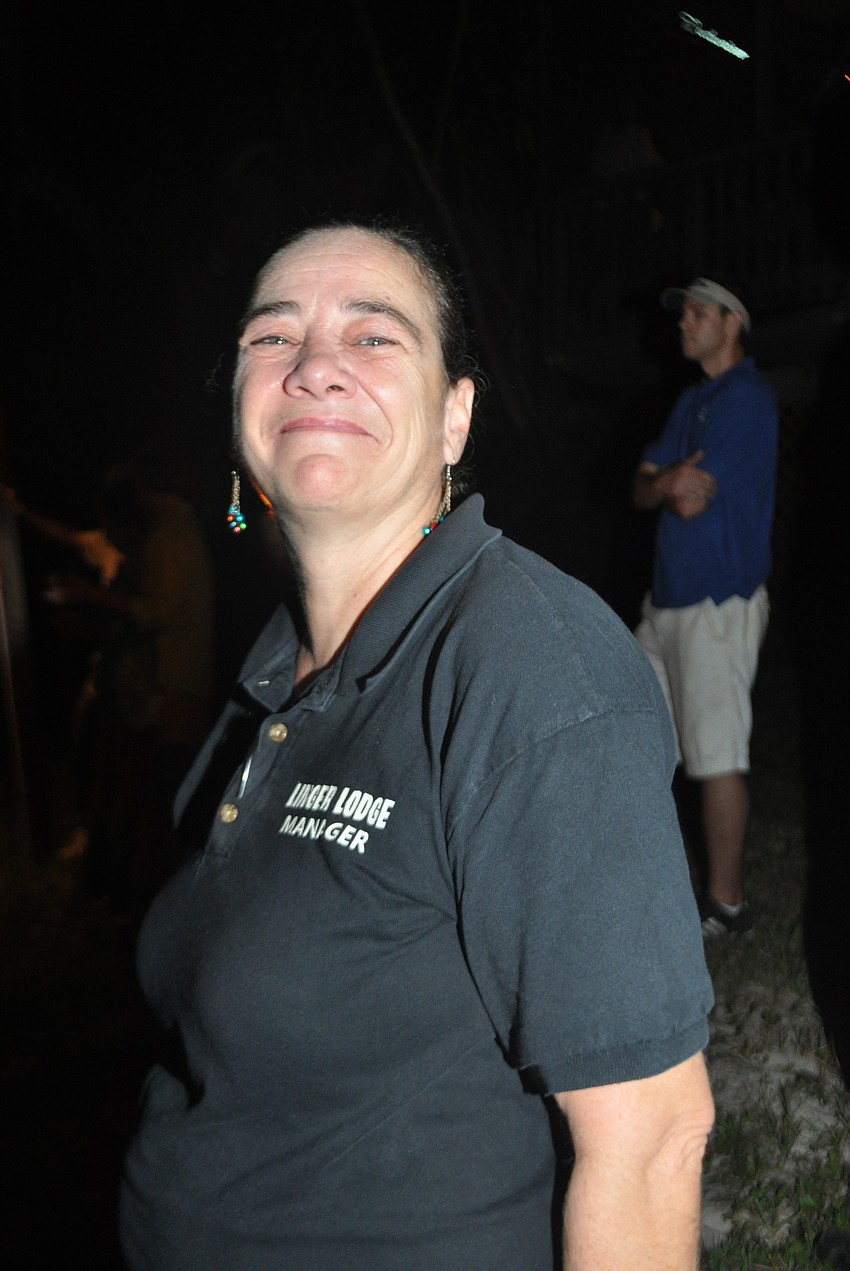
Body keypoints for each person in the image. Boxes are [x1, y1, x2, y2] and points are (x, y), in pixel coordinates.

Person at [120, 220, 715, 1269]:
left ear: (455, 416)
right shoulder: (270, 669)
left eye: (375, 336)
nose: (313, 364)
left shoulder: (526, 661)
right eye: (273, 337)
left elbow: (653, 1141)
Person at [632, 277, 778, 938]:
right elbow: (642, 490)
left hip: (719, 598)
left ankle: (726, 905)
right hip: (663, 601)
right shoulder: (691, 399)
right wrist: (664, 479)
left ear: (732, 320)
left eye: (697, 312)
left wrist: (664, 484)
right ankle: (641, 883)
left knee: (715, 754)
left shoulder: (746, 398)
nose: (684, 323)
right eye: (683, 312)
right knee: (627, 736)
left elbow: (687, 500)